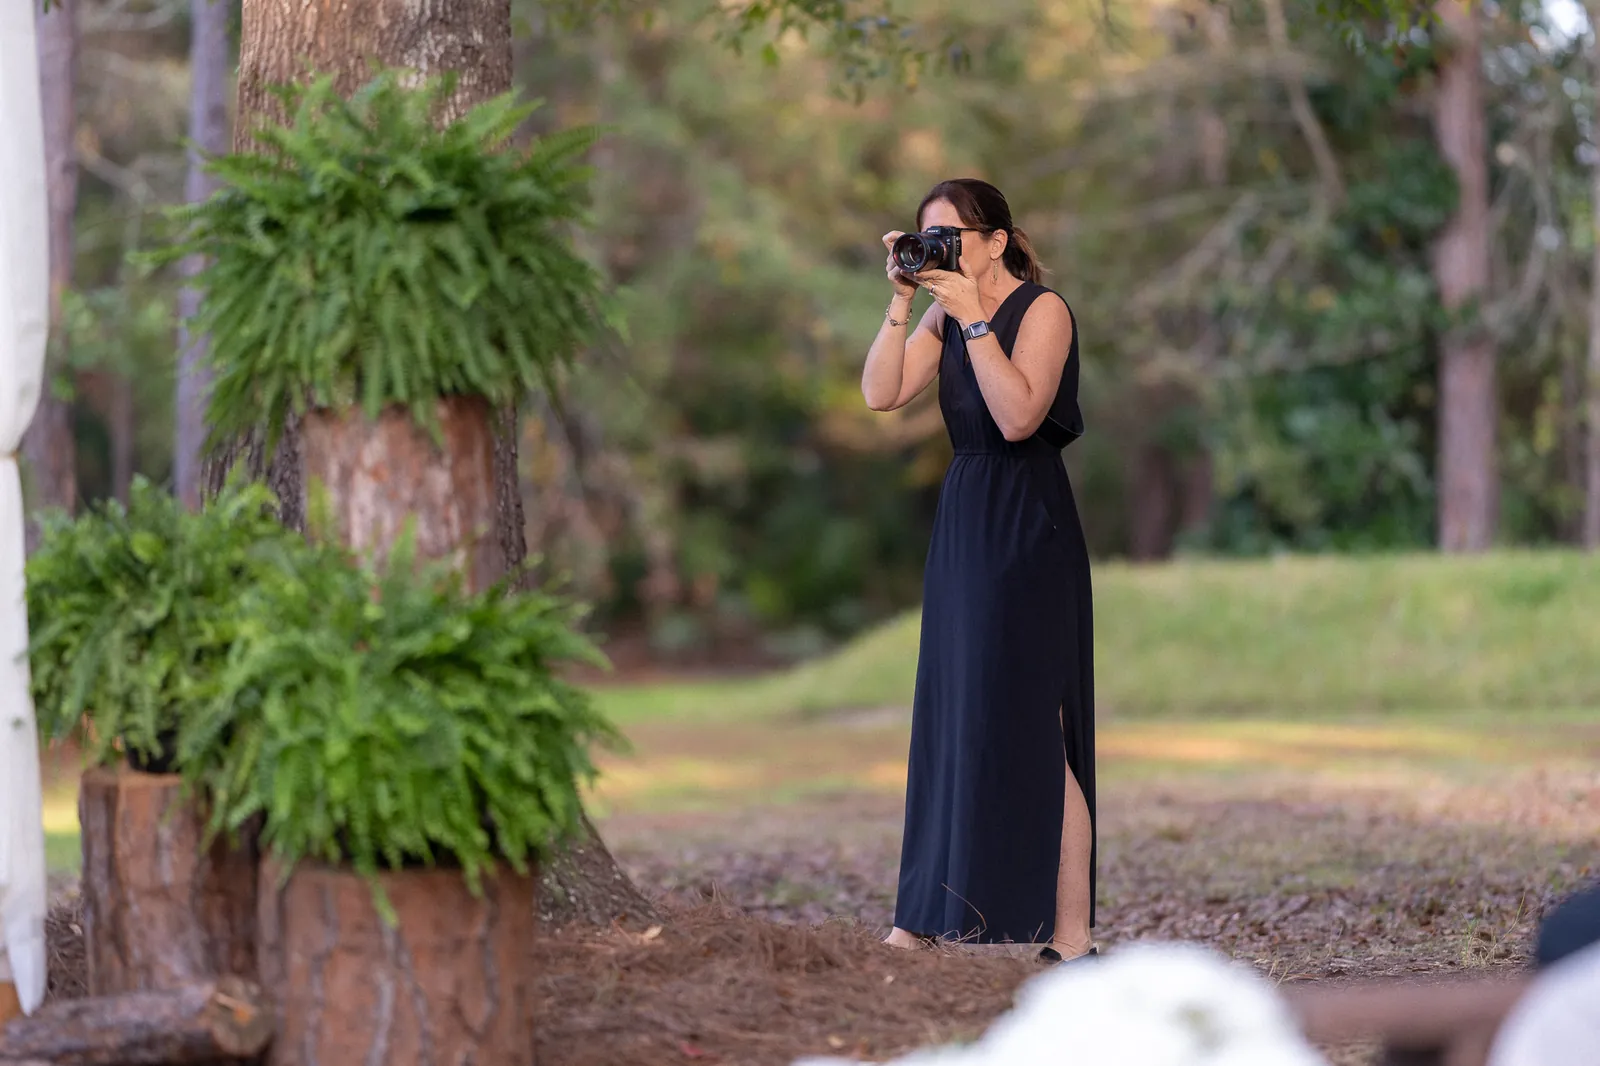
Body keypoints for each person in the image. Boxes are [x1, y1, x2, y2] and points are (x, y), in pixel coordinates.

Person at [861, 178, 1096, 964]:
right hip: (965, 516)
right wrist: (901, 301)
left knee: (1038, 724)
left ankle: (1071, 937)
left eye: (953, 236)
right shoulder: (938, 309)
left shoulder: (1043, 311)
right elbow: (881, 392)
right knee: (951, 716)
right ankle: (917, 919)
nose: (943, 251)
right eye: (928, 238)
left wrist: (971, 317)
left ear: (997, 240)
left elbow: (1019, 414)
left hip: (1027, 522)